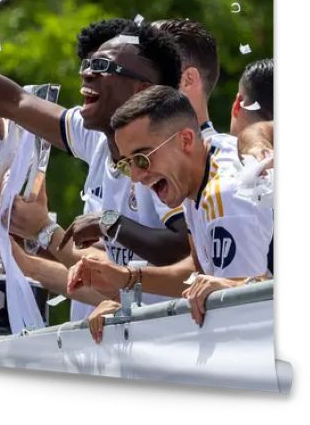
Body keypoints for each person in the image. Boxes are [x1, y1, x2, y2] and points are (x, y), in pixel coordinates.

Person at [0, 21, 190, 320]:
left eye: (102, 66)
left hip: (170, 341)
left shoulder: (166, 152)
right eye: (87, 63)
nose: (86, 72)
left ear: (142, 90)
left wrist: (106, 222)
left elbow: (185, 249)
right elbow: (14, 101)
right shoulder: (97, 136)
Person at [67, 85, 273, 340]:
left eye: (142, 159)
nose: (138, 177)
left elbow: (249, 310)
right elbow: (197, 273)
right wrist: (126, 280)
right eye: (126, 165)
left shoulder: (224, 195)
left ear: (185, 140)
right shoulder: (202, 165)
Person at [58, 17, 221, 257]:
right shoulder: (114, 135)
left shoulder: (217, 166)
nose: (135, 174)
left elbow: (186, 256)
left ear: (187, 79)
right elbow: (16, 103)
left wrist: (45, 232)